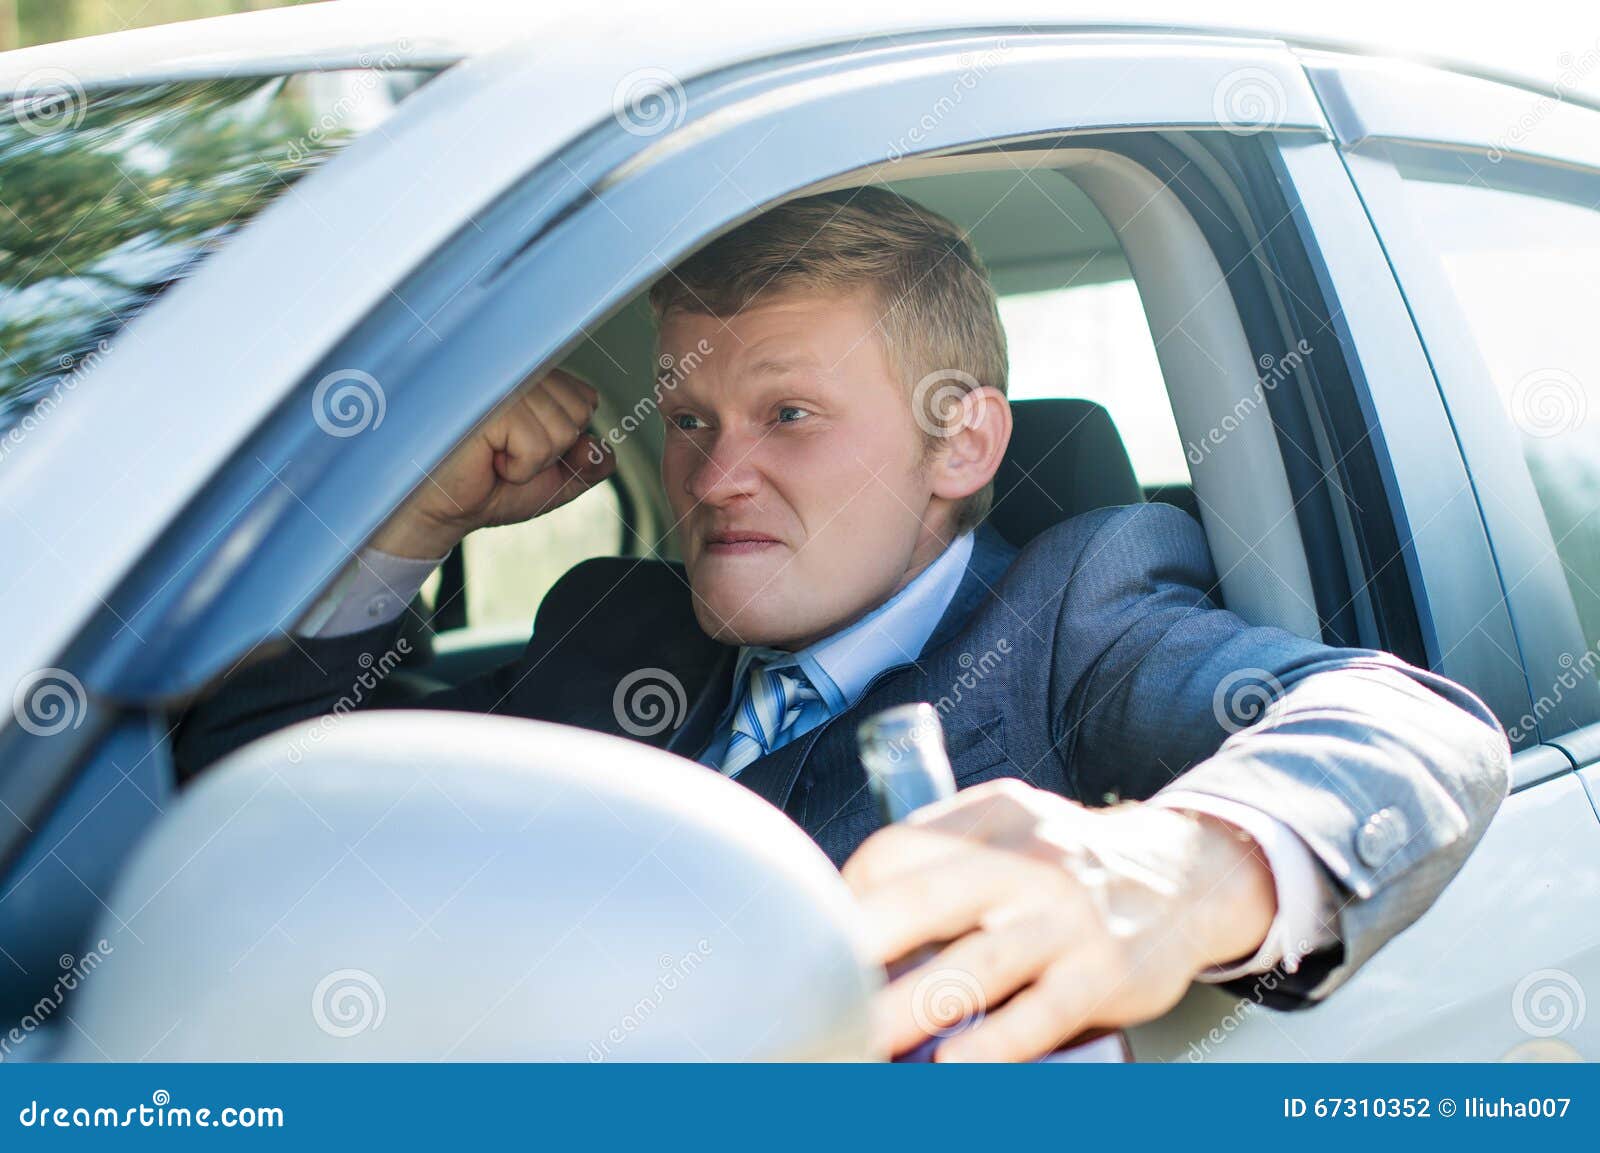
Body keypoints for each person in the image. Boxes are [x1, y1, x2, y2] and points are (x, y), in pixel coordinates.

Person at [176, 188, 1510, 1062]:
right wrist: (411, 525)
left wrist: (1176, 870)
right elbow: (264, 807)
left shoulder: (1079, 611)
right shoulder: (607, 629)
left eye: (788, 416)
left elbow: (1414, 727)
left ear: (962, 439)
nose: (708, 476)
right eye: (688, 420)